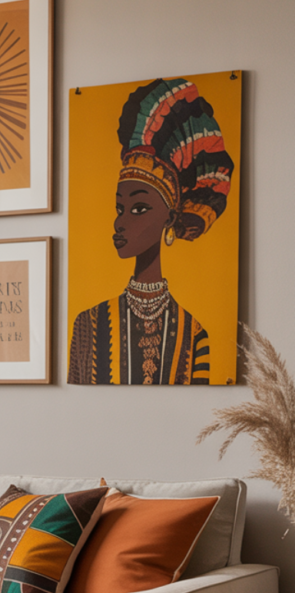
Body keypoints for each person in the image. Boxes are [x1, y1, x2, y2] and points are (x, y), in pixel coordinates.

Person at [68, 78, 234, 385]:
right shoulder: (87, 325)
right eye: (120, 209)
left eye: (139, 209)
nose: (121, 222)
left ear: (169, 218)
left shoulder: (194, 334)